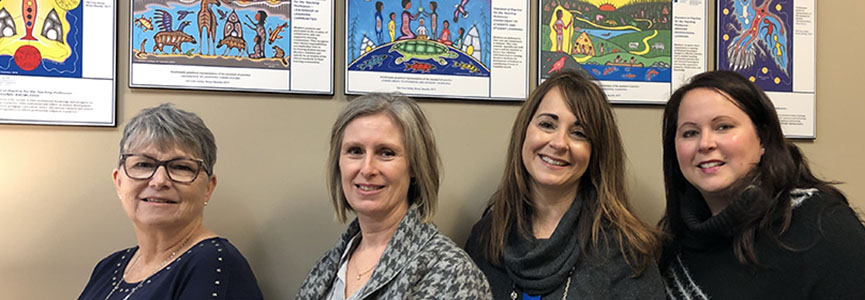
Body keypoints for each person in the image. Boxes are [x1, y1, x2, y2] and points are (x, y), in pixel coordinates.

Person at [659, 70, 865, 299]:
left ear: (762, 139)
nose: (705, 143)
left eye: (723, 126)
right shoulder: (672, 242)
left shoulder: (822, 225)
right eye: (690, 133)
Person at [465, 70, 665, 299]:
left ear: (595, 152)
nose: (559, 143)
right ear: (524, 132)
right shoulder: (486, 237)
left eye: (578, 133)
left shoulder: (627, 252)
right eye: (547, 124)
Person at [294, 93, 490, 299]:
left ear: (415, 166)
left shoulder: (451, 272)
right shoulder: (329, 266)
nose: (367, 168)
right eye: (355, 151)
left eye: (386, 153)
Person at [78, 104, 264, 299]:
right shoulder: (108, 267)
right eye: (143, 164)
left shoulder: (215, 266)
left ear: (208, 188)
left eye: (181, 167)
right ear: (119, 182)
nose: (159, 181)